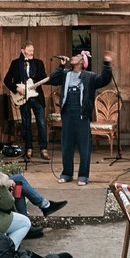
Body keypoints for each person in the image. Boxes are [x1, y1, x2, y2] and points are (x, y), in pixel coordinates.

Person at [48, 50, 113, 185]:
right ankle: (66, 174)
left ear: (82, 61)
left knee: (84, 146)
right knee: (66, 145)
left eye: (76, 56)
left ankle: (83, 176)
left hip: (82, 114)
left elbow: (104, 79)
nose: (72, 57)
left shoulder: (89, 76)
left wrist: (106, 64)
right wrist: (61, 66)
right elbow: (53, 79)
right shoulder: (65, 74)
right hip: (67, 113)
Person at [4, 40, 50, 160]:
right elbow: (7, 80)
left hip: (37, 97)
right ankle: (28, 148)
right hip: (24, 98)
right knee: (26, 124)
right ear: (22, 51)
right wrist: (16, 88)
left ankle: (43, 149)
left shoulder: (39, 63)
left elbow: (44, 77)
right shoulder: (15, 64)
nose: (31, 53)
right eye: (29, 51)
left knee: (41, 123)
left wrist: (53, 77)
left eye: (32, 51)